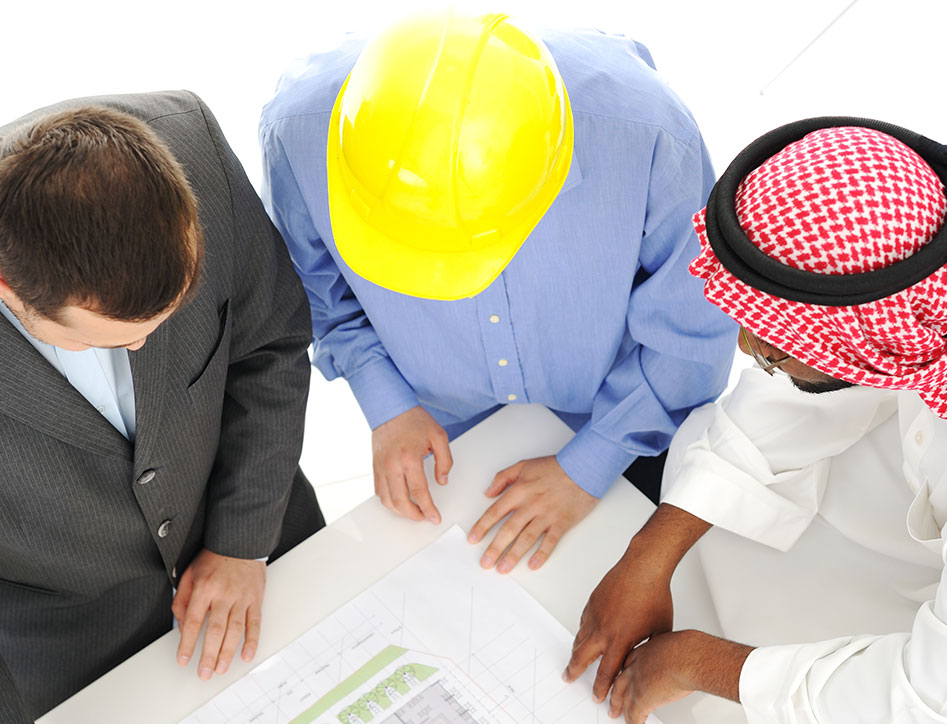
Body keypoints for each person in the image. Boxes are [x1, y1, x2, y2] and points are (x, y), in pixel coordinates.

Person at [259, 11, 736, 573]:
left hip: (621, 417)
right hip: (445, 434)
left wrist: (590, 465)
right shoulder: (298, 134)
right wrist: (387, 402)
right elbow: (314, 292)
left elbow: (695, 327)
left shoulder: (648, 131)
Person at [562, 119, 947, 723]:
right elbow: (801, 393)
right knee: (703, 446)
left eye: (775, 343)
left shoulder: (885, 323)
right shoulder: (908, 300)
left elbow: (923, 696)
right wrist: (648, 555)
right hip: (903, 517)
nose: (745, 347)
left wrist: (699, 664)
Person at [0, 91, 324, 722]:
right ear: (8, 288)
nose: (140, 348)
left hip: (264, 546)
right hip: (67, 653)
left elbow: (270, 345)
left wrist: (243, 543)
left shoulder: (195, 146)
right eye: (106, 339)